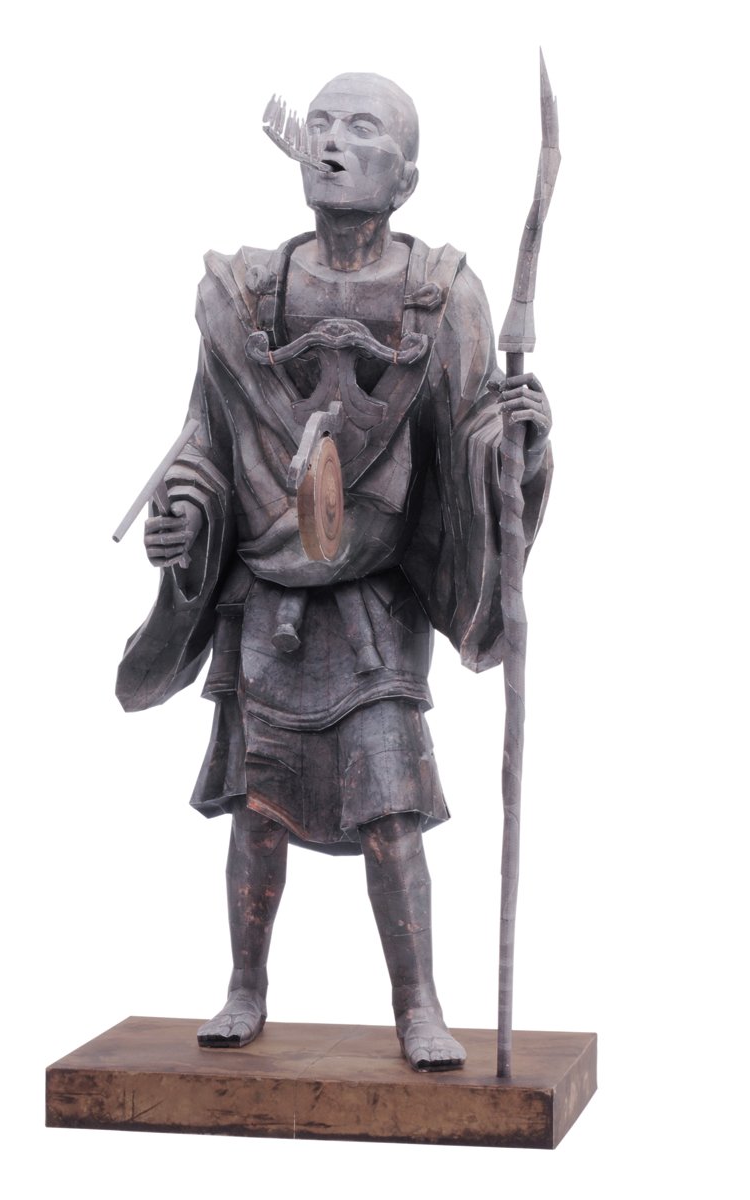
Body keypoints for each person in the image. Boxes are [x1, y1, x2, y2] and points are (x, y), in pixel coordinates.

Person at [117, 72, 552, 1072]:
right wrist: (185, 510)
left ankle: (418, 1005)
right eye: (320, 124)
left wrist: (516, 446)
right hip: (266, 599)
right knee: (256, 813)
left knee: (393, 814)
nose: (332, 143)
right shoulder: (244, 296)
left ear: (406, 177)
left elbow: (472, 438)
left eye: (363, 129)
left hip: (372, 606)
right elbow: (203, 439)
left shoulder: (441, 295)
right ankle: (245, 987)